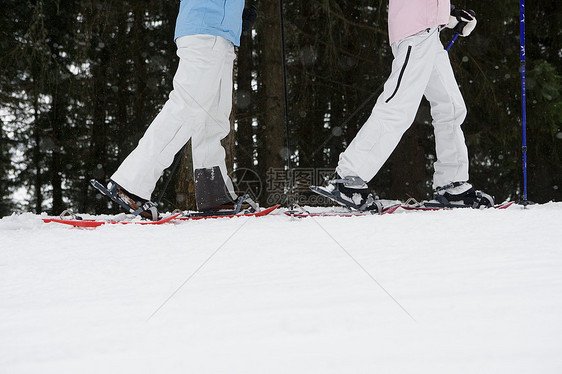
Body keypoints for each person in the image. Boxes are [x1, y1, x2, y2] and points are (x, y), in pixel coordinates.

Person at [312, 0, 494, 210]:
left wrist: (451, 16)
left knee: (451, 108)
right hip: (415, 33)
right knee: (398, 108)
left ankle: (452, 184)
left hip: (429, 34)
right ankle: (349, 178)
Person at [101, 1, 257, 220]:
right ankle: (130, 185)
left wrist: (234, 19)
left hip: (222, 33)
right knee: (187, 109)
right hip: (205, 29)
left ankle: (214, 194)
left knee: (214, 118)